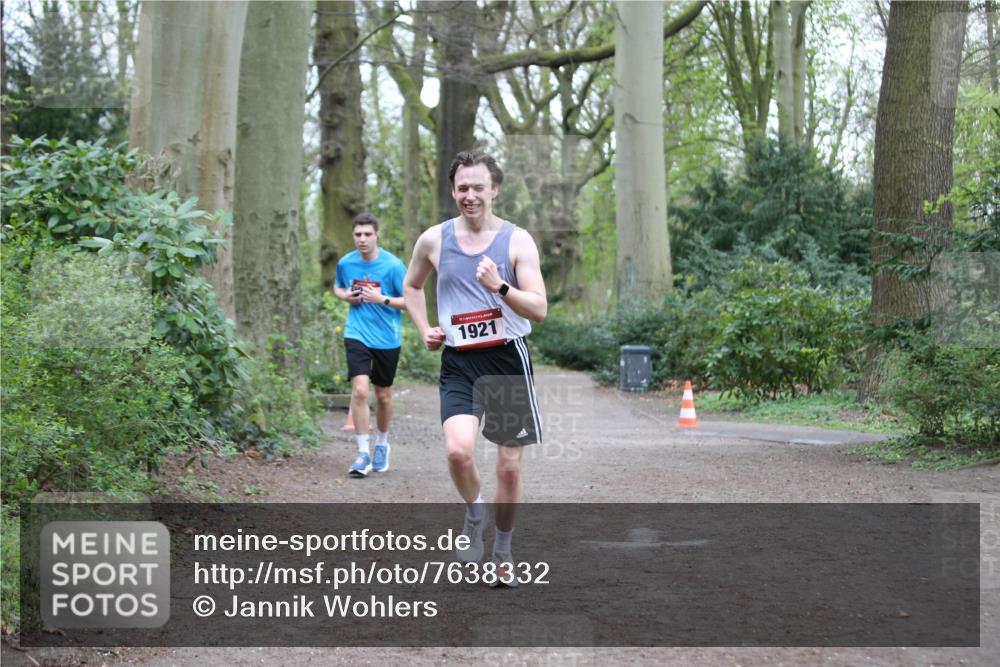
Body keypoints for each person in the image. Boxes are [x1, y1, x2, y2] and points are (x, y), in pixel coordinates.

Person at [404, 151, 547, 587]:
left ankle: (502, 551)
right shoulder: (434, 240)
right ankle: (474, 512)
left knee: (509, 467)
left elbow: (539, 309)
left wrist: (499, 286)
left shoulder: (517, 241)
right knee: (458, 451)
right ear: (453, 191)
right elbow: (412, 286)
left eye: (478, 187)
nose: (470, 195)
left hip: (506, 360)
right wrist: (425, 328)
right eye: (462, 188)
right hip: (459, 362)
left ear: (494, 190)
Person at [333, 212, 407, 478]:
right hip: (357, 333)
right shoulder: (346, 263)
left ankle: (382, 443)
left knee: (383, 395)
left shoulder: (394, 266)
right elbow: (338, 287)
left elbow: (410, 301)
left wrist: (381, 299)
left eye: (367, 234)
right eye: (358, 234)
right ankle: (363, 452)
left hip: (387, 337)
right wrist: (347, 296)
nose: (362, 239)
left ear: (377, 235)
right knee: (360, 391)